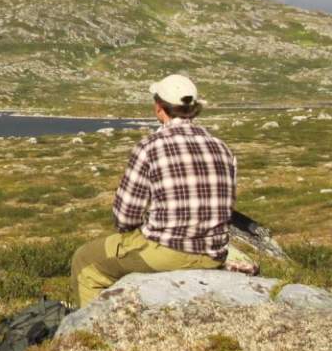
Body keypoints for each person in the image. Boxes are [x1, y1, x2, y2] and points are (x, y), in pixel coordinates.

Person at [69, 73, 258, 308]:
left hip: (167, 251)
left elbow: (125, 217)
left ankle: (92, 333)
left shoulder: (150, 147)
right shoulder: (222, 147)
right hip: (214, 253)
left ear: (160, 108)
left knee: (85, 262)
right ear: (195, 109)